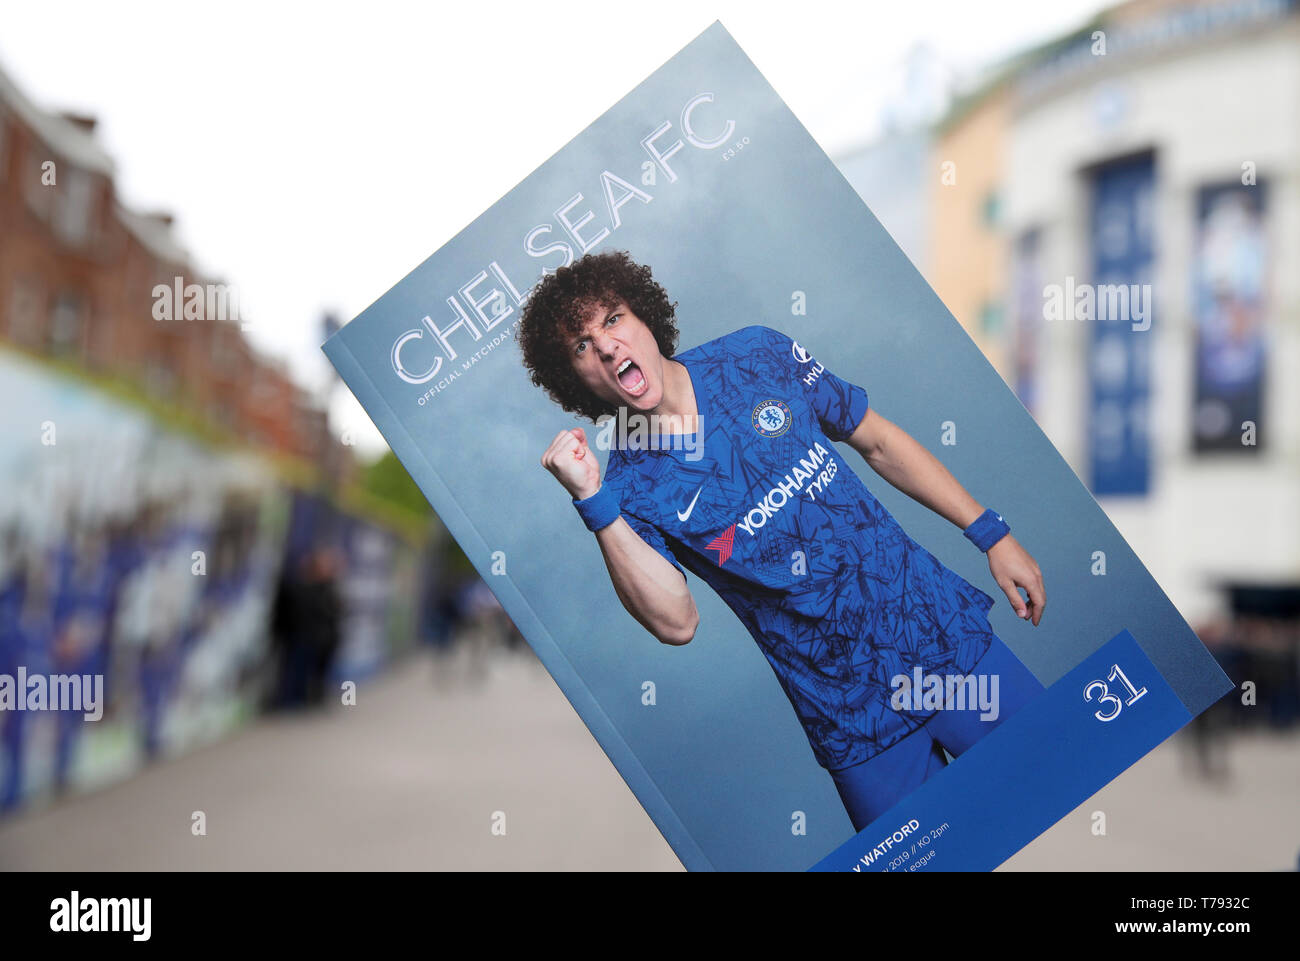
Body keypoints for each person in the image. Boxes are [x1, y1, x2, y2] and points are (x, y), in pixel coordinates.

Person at [520, 250, 1047, 831]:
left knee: (1065, 790)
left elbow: (874, 440)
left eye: (613, 320)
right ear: (576, 377)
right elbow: (677, 622)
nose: (607, 347)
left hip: (944, 644)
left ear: (643, 317)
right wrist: (593, 502)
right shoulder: (627, 487)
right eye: (582, 346)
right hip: (849, 718)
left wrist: (991, 534)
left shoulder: (756, 355)